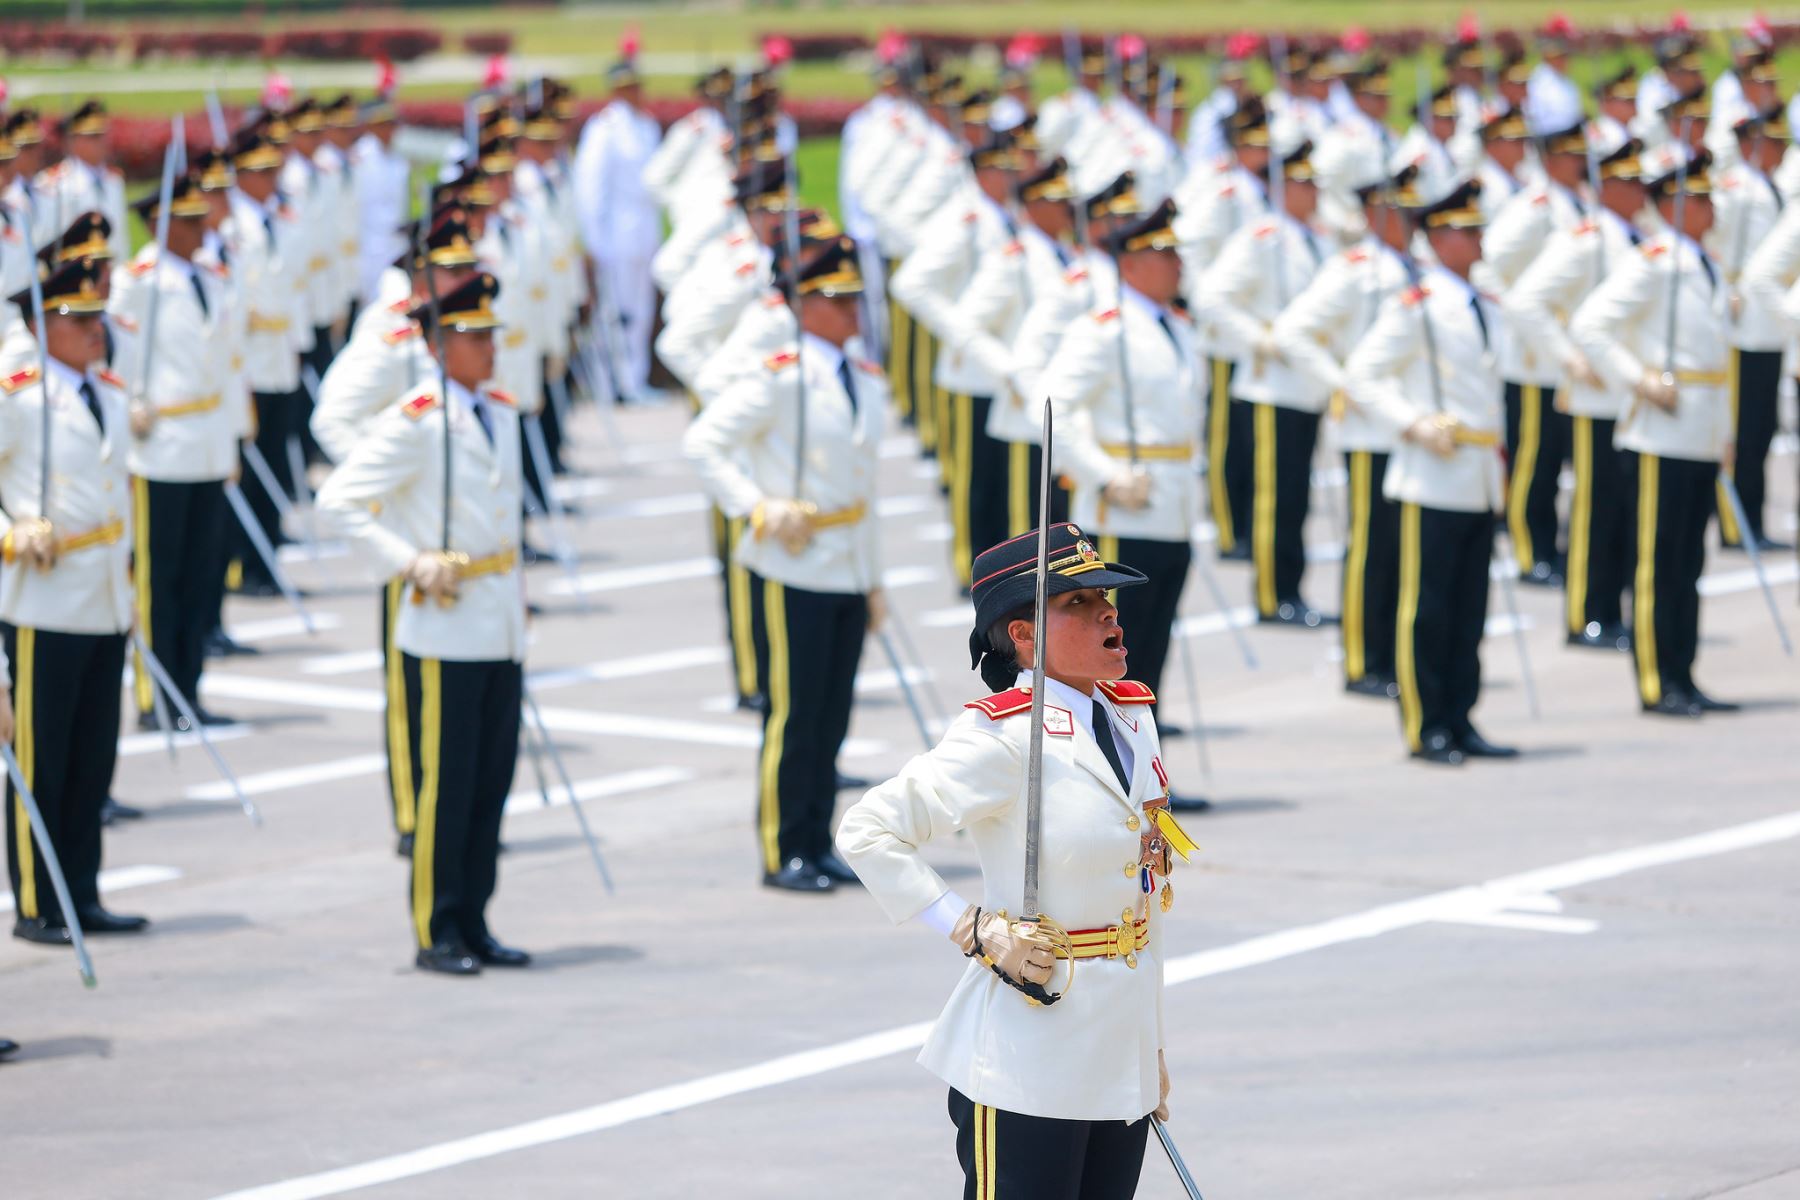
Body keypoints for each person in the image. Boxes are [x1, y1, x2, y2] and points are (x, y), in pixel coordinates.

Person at [835, 521, 1189, 1199]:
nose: (1107, 612)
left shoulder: (1132, 718)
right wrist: (970, 927)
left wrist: (1151, 1047)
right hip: (1027, 1059)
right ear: (1024, 636)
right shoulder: (1002, 739)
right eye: (1078, 602)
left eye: (1105, 597)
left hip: (1118, 1057)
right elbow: (868, 830)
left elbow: (1142, 903)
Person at [316, 271, 531, 974]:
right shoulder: (417, 419)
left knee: (491, 784)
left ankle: (477, 918)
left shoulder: (500, 410)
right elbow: (340, 501)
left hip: (497, 622)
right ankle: (438, 928)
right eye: (473, 336)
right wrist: (408, 561)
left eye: (491, 333)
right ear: (438, 346)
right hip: (445, 624)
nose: (489, 347)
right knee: (448, 786)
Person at [683, 237, 890, 893]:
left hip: (846, 564)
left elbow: (864, 490)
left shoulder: (864, 379)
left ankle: (817, 839)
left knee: (832, 717)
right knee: (795, 716)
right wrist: (757, 505)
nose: (852, 308)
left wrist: (875, 578)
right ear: (803, 304)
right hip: (793, 564)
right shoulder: (778, 376)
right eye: (837, 298)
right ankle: (784, 848)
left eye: (854, 296)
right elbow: (705, 443)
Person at [1346, 179, 1516, 765]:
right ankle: (1427, 724)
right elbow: (1363, 374)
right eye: (1466, 230)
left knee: (1469, 610)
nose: (1478, 238)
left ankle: (1461, 716)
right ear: (1438, 239)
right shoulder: (1419, 304)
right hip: (1433, 474)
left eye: (1478, 228)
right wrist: (1413, 422)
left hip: (1478, 474)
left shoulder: (1485, 303)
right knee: (1427, 609)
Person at [1044, 202, 1210, 803]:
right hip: (1124, 509)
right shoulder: (1104, 328)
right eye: (1164, 254)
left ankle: (1145, 776)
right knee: (1111, 655)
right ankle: (1108, 778)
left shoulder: (1179, 327)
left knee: (1151, 651)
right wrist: (1105, 474)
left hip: (1172, 506)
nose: (1177, 264)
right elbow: (1054, 407)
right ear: (1133, 263)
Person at [1, 256, 145, 944]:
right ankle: (38, 901)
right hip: (45, 598)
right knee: (43, 760)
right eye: (78, 318)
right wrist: (10, 532)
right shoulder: (21, 397)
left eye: (97, 317)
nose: (95, 329)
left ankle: (82, 893)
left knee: (92, 760)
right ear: (39, 326)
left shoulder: (108, 391)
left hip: (103, 597)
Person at [1572, 146, 1738, 718]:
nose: (1712, 206)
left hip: (1698, 431)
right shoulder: (1655, 260)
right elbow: (1591, 324)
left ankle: (1683, 673)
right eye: (1701, 197)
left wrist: (1724, 432)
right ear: (1673, 205)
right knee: (1657, 562)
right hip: (1660, 433)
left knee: (1688, 563)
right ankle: (1655, 679)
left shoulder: (1704, 262)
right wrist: (1637, 378)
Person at [1276, 164, 1420, 695]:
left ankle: (1395, 653)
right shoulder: (1356, 269)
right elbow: (1294, 331)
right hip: (1371, 431)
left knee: (1402, 549)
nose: (1411, 220)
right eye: (1400, 210)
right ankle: (1364, 661)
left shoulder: (1414, 268)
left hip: (1411, 428)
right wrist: (1344, 387)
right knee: (1373, 548)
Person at [111, 172, 247, 727]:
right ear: (159, 225)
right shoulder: (138, 282)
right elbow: (113, 358)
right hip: (160, 446)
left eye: (201, 220)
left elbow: (228, 364)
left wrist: (232, 439)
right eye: (188, 222)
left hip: (208, 444)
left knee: (200, 575)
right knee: (157, 580)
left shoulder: (212, 276)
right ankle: (156, 696)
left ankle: (188, 690)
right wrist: (128, 409)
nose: (201, 230)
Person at [1506, 136, 1651, 651]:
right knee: (1596, 509)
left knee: (1624, 511)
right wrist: (1568, 358)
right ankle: (1587, 615)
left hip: (1628, 396)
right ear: (1605, 186)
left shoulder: (1635, 238)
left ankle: (1612, 610)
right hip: (1595, 399)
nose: (1641, 192)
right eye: (1630, 182)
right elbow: (1526, 301)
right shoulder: (1587, 239)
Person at [1201, 129, 1332, 626]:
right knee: (1276, 498)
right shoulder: (1263, 238)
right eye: (1304, 183)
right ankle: (1273, 595)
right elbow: (1213, 296)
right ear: (1283, 187)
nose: (1314, 192)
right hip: (1272, 386)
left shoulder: (1314, 238)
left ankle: (1291, 588)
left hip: (1305, 386)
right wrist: (1259, 339)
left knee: (1296, 497)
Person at [1710, 104, 1791, 551]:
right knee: (1741, 431)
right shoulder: (1737, 188)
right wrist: (1727, 285)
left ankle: (1753, 521)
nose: (1779, 151)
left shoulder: (1770, 186)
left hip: (1769, 327)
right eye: (1771, 142)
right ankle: (1736, 523)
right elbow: (1710, 238)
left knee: (1762, 429)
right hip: (1742, 327)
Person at [575, 60, 662, 402]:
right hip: (616, 234)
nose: (634, 93)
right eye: (626, 87)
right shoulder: (605, 128)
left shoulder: (646, 125)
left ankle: (634, 379)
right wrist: (596, 241)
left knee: (641, 310)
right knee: (614, 313)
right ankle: (607, 383)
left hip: (644, 229)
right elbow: (591, 188)